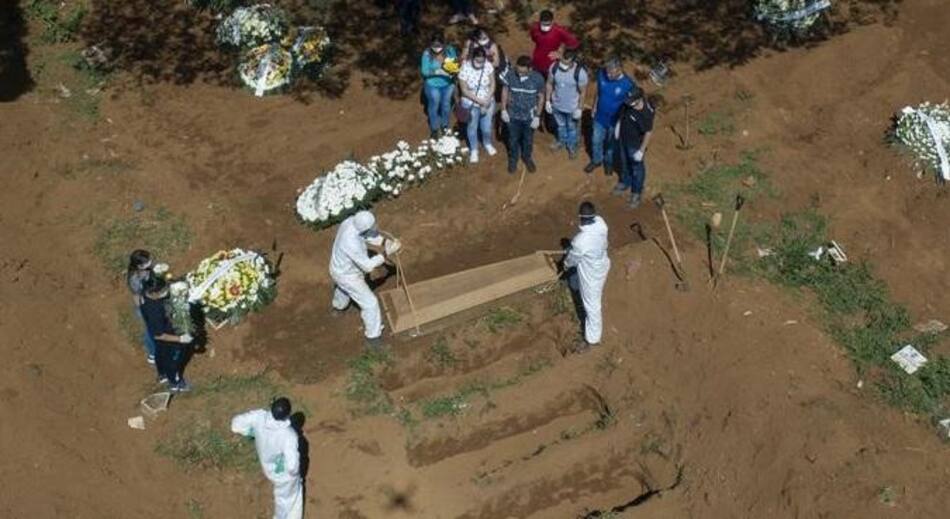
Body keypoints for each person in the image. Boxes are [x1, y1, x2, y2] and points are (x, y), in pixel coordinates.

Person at [329, 210, 401, 349]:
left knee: (343, 289)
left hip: (338, 268)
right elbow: (368, 266)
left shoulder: (350, 222)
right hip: (348, 275)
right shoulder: (350, 242)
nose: (376, 226)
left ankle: (338, 308)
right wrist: (387, 253)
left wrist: (385, 242)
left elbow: (367, 236)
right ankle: (373, 339)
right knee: (370, 303)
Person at [232, 398, 303, 519]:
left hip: (268, 468)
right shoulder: (288, 435)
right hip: (283, 476)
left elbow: (235, 424)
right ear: (287, 415)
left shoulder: (259, 416)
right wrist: (294, 475)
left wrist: (251, 432)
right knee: (289, 499)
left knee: (286, 496)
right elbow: (292, 466)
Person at [563, 201, 610, 352]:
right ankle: (578, 294)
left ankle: (592, 340)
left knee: (592, 305)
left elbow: (572, 260)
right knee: (588, 293)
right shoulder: (601, 224)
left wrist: (566, 264)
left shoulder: (581, 241)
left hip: (591, 273)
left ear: (581, 217)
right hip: (602, 263)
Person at [584, 57, 636, 176]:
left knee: (610, 144)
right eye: (606, 72)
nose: (607, 75)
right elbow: (599, 92)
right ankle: (596, 160)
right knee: (596, 140)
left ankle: (608, 162)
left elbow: (631, 105)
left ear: (619, 70)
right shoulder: (602, 75)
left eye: (611, 73)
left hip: (615, 121)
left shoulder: (628, 84)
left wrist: (623, 122)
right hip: (599, 117)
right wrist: (594, 107)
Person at [140, 276, 193, 391]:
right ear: (154, 294)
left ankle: (162, 374)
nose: (166, 291)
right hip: (168, 337)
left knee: (160, 354)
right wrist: (180, 339)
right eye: (163, 290)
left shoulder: (145, 291)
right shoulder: (155, 311)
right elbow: (159, 335)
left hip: (158, 336)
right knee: (173, 360)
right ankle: (175, 383)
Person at [500, 55, 545, 174]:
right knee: (512, 139)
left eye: (522, 72)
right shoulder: (510, 75)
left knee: (528, 140)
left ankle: (527, 157)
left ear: (530, 69)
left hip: (529, 117)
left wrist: (537, 116)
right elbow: (505, 91)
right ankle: (513, 159)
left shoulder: (538, 79)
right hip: (513, 116)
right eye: (518, 71)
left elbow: (541, 98)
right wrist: (503, 109)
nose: (519, 74)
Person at [614, 87, 655, 208]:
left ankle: (636, 193)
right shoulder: (627, 105)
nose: (628, 103)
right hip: (623, 139)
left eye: (631, 101)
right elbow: (622, 115)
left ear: (639, 100)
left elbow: (648, 132)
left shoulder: (646, 113)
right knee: (624, 162)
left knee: (637, 169)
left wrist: (641, 151)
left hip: (635, 145)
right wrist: (618, 126)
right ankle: (625, 182)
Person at [545, 48, 589, 159]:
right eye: (562, 62)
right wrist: (547, 101)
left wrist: (579, 108)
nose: (563, 65)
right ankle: (561, 141)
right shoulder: (554, 67)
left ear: (573, 61)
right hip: (557, 106)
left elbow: (583, 92)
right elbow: (549, 83)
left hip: (572, 108)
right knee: (560, 126)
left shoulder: (580, 73)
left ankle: (571, 146)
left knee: (572, 129)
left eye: (566, 63)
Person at [457, 47, 497, 163]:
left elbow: (492, 83)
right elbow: (464, 90)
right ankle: (474, 149)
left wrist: (487, 99)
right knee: (472, 127)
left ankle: (487, 143)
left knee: (486, 127)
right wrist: (480, 101)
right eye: (477, 61)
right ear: (472, 58)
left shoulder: (488, 66)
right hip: (471, 103)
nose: (480, 63)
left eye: (482, 61)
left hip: (488, 101)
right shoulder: (465, 68)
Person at [420, 33, 458, 138]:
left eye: (439, 45)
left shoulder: (450, 50)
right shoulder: (427, 54)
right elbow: (424, 71)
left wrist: (451, 71)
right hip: (432, 84)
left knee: (446, 105)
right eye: (434, 45)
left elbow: (454, 66)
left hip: (448, 84)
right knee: (434, 103)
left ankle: (445, 125)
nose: (436, 48)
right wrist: (437, 71)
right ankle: (434, 129)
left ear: (443, 43)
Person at [126, 249, 157, 365]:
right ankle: (152, 353)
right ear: (139, 266)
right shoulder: (135, 279)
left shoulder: (147, 269)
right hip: (144, 305)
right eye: (147, 261)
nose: (151, 262)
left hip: (151, 300)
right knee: (150, 331)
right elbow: (139, 295)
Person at [528, 9, 579, 76]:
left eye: (548, 24)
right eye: (543, 24)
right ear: (539, 21)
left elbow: (574, 43)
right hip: (536, 64)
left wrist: (561, 54)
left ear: (552, 21)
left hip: (551, 66)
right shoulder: (535, 28)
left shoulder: (559, 31)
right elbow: (534, 39)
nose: (545, 27)